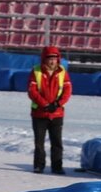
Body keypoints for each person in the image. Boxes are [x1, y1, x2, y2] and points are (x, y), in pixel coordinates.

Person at [27, 45, 72, 175]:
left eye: (54, 58)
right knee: (39, 142)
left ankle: (57, 166)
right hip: (39, 113)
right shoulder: (36, 71)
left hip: (57, 113)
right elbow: (32, 91)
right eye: (49, 59)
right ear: (44, 59)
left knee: (57, 142)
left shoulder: (63, 72)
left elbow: (67, 91)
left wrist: (58, 104)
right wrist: (45, 104)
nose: (52, 61)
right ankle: (39, 166)